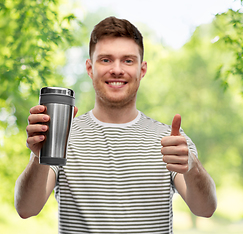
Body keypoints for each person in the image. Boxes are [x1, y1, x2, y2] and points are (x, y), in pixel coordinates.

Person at [14, 16, 217, 233]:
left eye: (128, 60)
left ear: (142, 69)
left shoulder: (170, 140)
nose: (117, 70)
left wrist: (192, 167)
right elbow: (27, 208)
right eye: (106, 60)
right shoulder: (62, 136)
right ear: (90, 68)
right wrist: (39, 156)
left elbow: (205, 208)